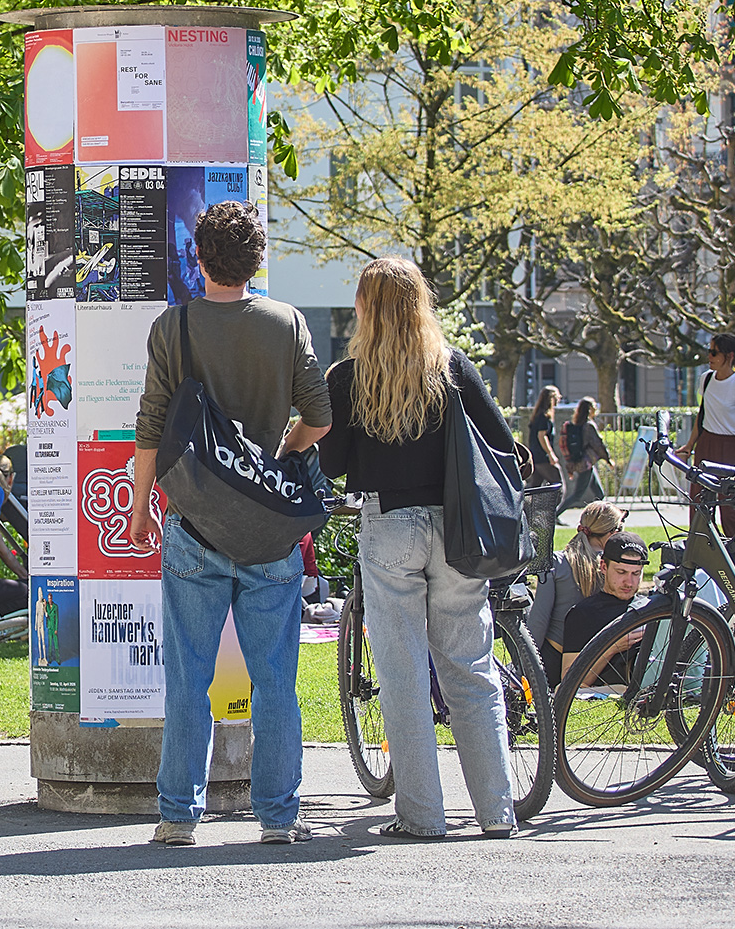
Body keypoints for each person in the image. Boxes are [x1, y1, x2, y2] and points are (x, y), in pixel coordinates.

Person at [124, 200, 332, 847]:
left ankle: (178, 817)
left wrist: (138, 510)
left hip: (194, 525)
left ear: (199, 258)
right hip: (270, 532)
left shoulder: (174, 327)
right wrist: (277, 458)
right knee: (276, 681)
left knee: (189, 677)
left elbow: (152, 429)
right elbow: (319, 417)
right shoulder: (285, 322)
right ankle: (277, 816)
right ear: (258, 259)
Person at [319, 256, 518, 840]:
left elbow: (332, 464)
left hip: (389, 527)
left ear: (365, 309)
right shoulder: (451, 367)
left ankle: (423, 817)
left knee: (402, 678)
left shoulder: (348, 377)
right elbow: (504, 445)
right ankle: (496, 812)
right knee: (471, 671)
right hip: (459, 533)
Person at [527, 501, 626, 684]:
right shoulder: (613, 568)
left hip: (554, 660)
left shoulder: (557, 562)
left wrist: (524, 666)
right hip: (599, 661)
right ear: (612, 532)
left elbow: (539, 621)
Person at [555, 532, 653, 686]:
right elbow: (569, 680)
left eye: (636, 574)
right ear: (604, 567)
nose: (629, 582)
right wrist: (612, 647)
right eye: (621, 572)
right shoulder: (584, 614)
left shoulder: (651, 606)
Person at [689, 333, 735, 534]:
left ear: (729, 356)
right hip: (706, 444)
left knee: (729, 506)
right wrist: (690, 444)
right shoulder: (706, 379)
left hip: (730, 447)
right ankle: (701, 546)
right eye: (709, 351)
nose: (709, 356)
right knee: (700, 500)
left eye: (714, 352)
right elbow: (701, 415)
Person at [558, 397, 614, 510]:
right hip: (585, 463)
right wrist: (608, 459)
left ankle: (601, 517)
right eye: (594, 407)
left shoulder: (577, 425)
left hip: (584, 463)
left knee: (599, 494)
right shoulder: (589, 425)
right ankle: (555, 514)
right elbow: (598, 444)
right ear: (590, 409)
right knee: (577, 495)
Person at [525, 385, 562, 485]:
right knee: (557, 483)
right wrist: (550, 454)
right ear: (552, 398)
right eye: (557, 397)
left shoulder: (537, 415)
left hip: (535, 456)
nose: (559, 399)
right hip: (542, 457)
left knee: (535, 486)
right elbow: (542, 436)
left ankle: (525, 501)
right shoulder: (544, 416)